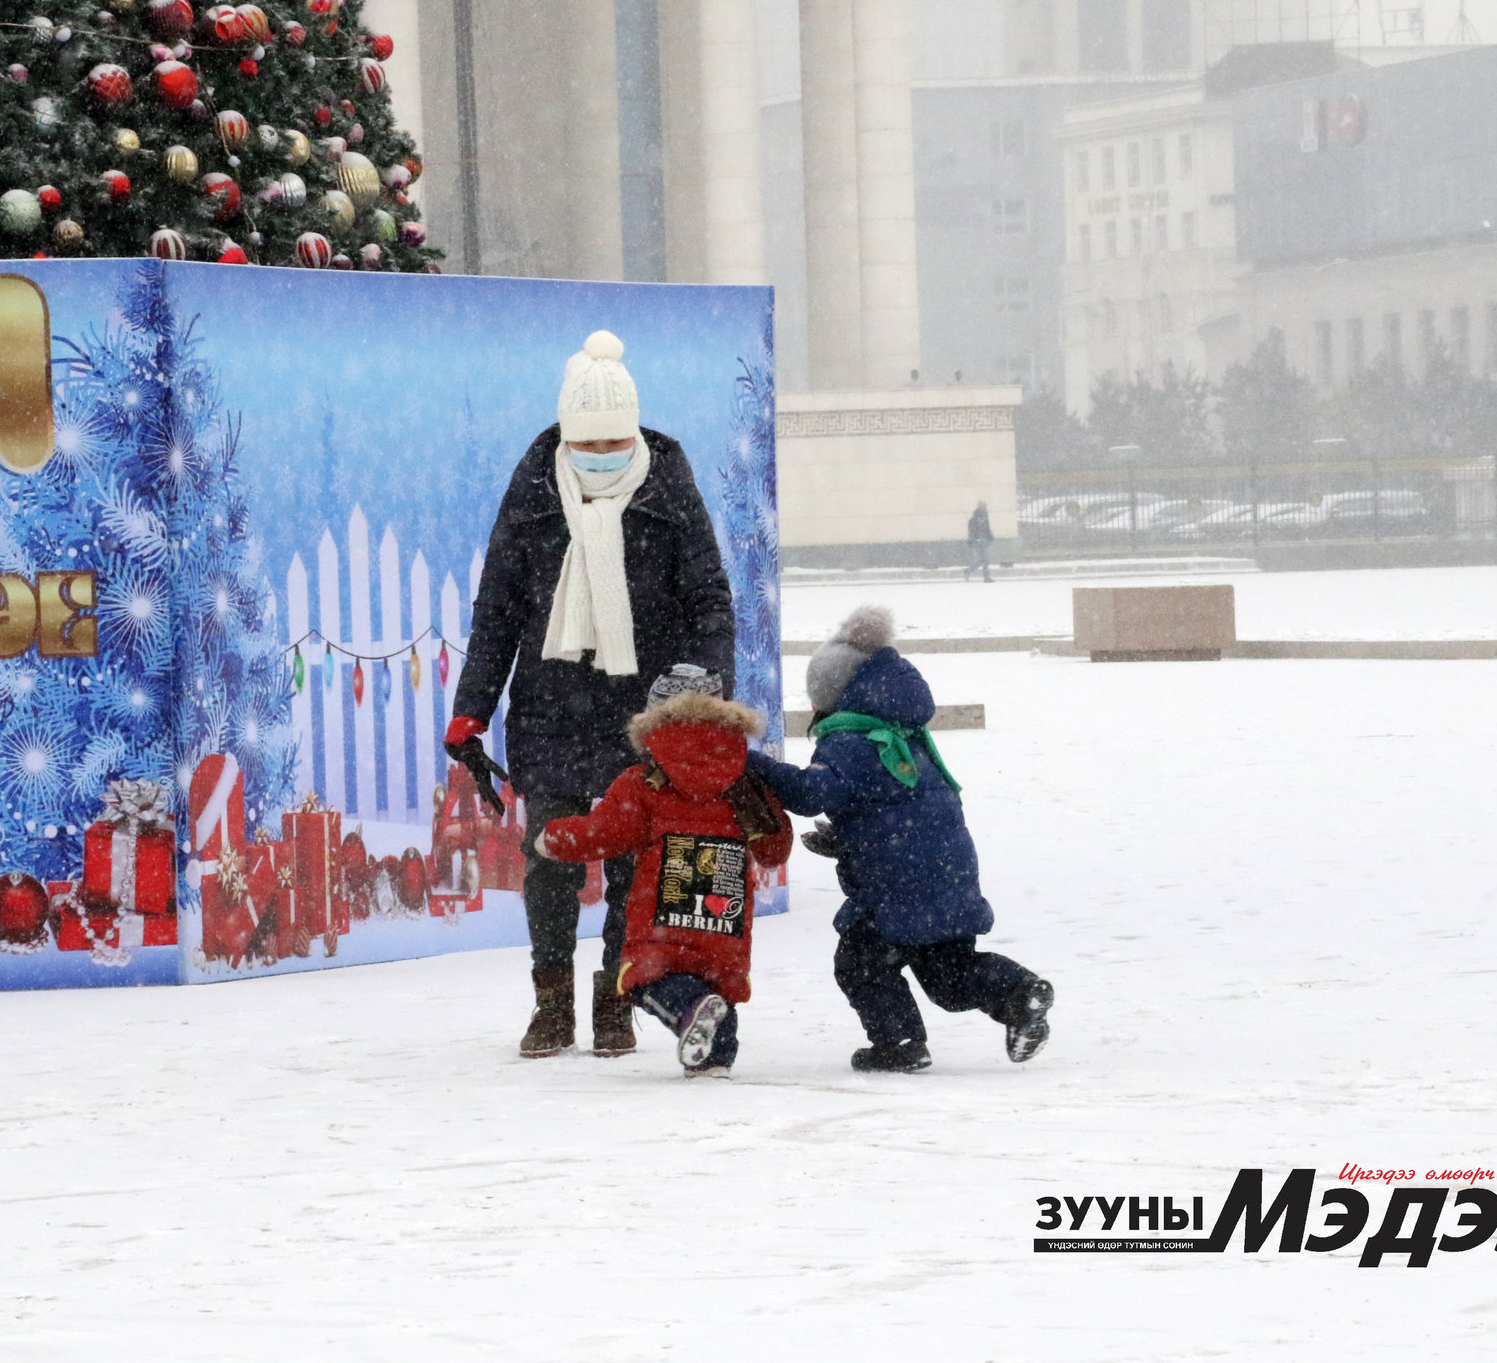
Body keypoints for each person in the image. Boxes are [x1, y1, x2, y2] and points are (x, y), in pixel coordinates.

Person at [446, 331, 739, 1059]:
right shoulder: (535, 491)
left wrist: (701, 690)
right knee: (549, 853)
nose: (603, 452)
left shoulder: (669, 489)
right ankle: (551, 1000)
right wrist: (471, 706)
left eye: (616, 439)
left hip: (643, 714)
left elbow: (709, 601)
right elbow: (500, 608)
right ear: (567, 437)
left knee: (634, 859)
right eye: (589, 441)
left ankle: (618, 999)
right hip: (549, 708)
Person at [746, 606, 1053, 1072]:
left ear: (834, 696)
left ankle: (900, 1043)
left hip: (895, 887)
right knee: (948, 975)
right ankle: (1019, 994)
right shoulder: (903, 734)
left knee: (861, 963)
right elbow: (894, 808)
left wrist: (758, 765)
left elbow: (812, 793)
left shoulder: (849, 740)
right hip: (945, 871)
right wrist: (847, 839)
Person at [535, 677, 793, 1077]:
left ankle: (690, 1012)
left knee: (645, 977)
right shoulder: (745, 783)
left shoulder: (644, 782)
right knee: (718, 983)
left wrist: (552, 838)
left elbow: (603, 833)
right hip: (723, 910)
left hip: (662, 912)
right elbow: (774, 850)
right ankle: (714, 1059)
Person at [965, 501, 995, 582]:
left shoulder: (985, 518)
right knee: (985, 560)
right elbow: (972, 531)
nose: (985, 508)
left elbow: (987, 530)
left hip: (983, 541)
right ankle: (986, 577)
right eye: (984, 507)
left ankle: (968, 571)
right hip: (978, 541)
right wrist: (973, 539)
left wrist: (989, 537)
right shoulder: (974, 519)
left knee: (982, 560)